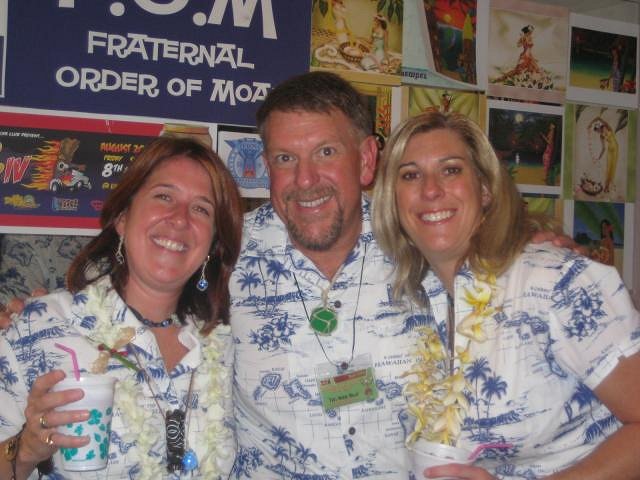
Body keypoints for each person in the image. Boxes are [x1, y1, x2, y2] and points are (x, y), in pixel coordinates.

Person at [228, 72, 579, 479]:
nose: (305, 179)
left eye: (326, 152)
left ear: (365, 160)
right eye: (285, 158)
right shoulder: (224, 255)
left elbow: (507, 257)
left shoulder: (422, 238)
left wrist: (530, 249)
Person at [371, 111, 640, 478]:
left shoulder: (557, 281)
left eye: (451, 170)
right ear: (392, 200)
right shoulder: (415, 298)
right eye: (410, 175)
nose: (430, 190)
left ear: (485, 189)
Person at [0, 137, 243, 479]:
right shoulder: (40, 327)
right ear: (123, 218)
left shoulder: (224, 344)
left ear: (212, 244)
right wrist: (26, 450)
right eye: (164, 196)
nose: (180, 219)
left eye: (201, 209)